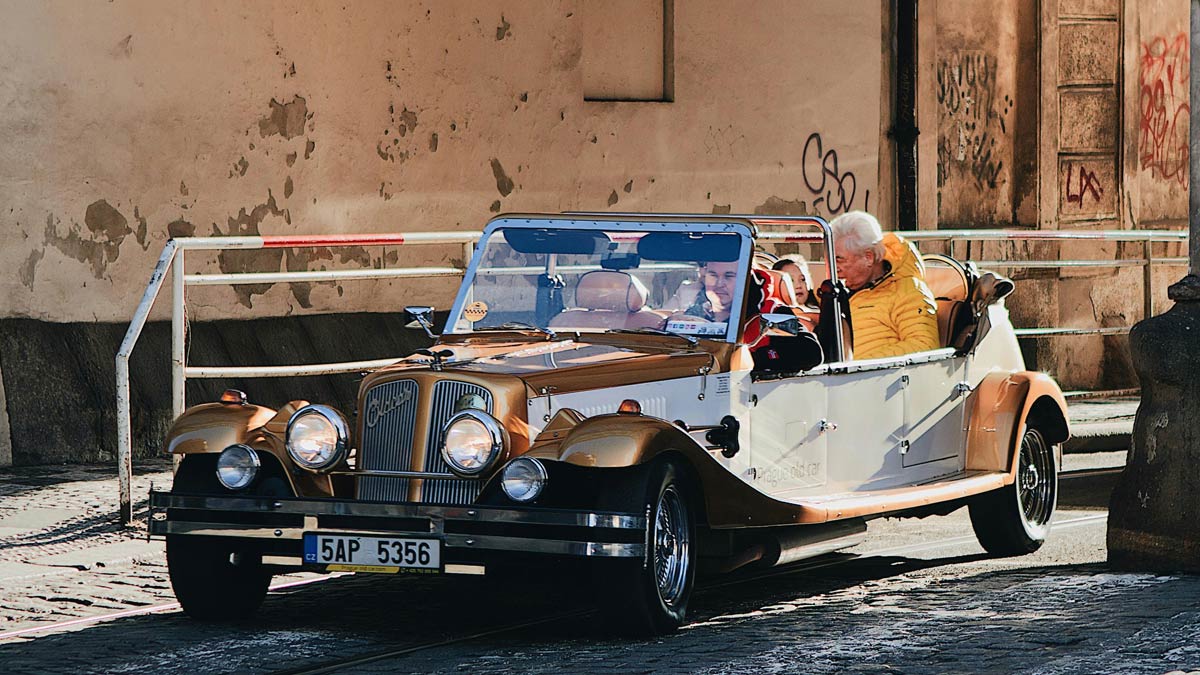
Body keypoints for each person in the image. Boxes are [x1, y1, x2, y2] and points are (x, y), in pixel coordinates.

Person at [829, 211, 938, 359]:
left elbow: (924, 346)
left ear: (868, 257)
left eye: (840, 260)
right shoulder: (838, 291)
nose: (834, 268)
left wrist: (859, 365)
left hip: (872, 378)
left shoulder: (908, 291)